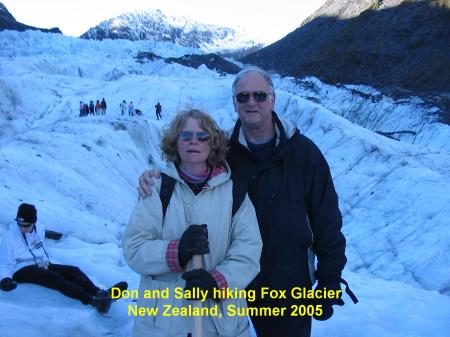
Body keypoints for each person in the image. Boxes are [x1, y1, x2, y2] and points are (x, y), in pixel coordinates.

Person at [138, 67, 357, 337]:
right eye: (243, 97)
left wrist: (329, 280)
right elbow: (187, 175)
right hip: (228, 280)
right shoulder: (222, 153)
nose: (251, 102)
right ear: (234, 102)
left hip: (286, 283)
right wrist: (155, 177)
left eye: (259, 95)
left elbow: (327, 221)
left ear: (273, 99)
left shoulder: (304, 154)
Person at [124, 109, 262, 337]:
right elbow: (134, 248)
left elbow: (248, 252)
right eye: (185, 136)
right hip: (164, 325)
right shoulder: (157, 188)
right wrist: (176, 251)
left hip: (220, 324)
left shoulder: (235, 192)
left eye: (202, 136)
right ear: (175, 143)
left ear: (213, 143)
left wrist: (217, 281)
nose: (193, 142)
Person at [0, 203, 128, 314]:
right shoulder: (10, 238)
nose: (22, 228)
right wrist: (4, 279)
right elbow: (4, 263)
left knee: (73, 271)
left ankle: (99, 293)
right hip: (21, 269)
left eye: (26, 225)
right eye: (20, 224)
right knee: (55, 278)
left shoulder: (39, 229)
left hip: (39, 264)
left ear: (33, 223)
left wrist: (45, 263)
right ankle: (93, 301)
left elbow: (39, 249)